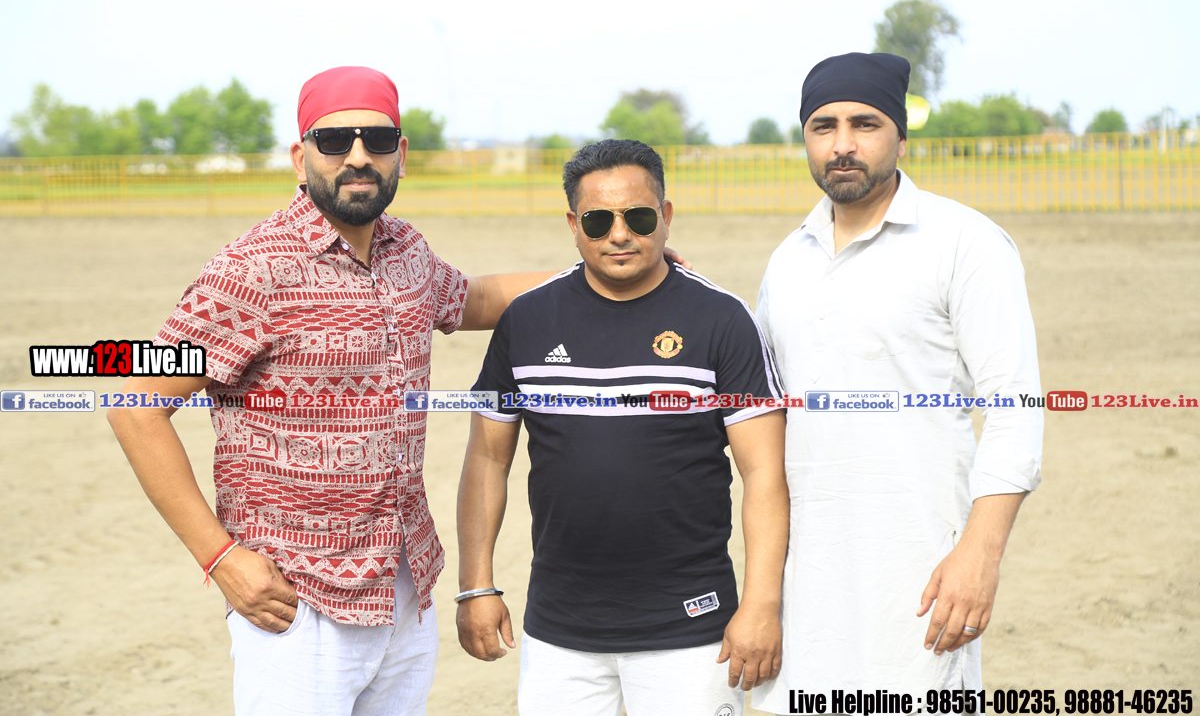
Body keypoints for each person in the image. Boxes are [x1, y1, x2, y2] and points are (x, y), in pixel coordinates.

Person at [106, 66, 583, 715]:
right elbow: (135, 405)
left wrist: (602, 270)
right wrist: (219, 557)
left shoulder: (405, 250)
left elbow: (472, 300)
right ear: (300, 158)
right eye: (335, 141)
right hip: (296, 601)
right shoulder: (254, 270)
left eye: (376, 139)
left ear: (400, 154)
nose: (358, 156)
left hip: (403, 585)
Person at [455, 139, 790, 716]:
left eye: (638, 217)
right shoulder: (527, 320)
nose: (619, 234)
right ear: (572, 225)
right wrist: (475, 585)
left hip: (691, 629)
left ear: (665, 215)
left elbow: (764, 473)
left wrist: (761, 605)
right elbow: (487, 459)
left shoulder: (722, 319)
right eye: (598, 220)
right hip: (559, 633)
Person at [752, 53, 1044, 710]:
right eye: (823, 126)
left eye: (865, 124)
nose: (843, 144)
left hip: (922, 571)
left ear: (901, 136)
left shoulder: (965, 243)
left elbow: (1015, 408)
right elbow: (759, 404)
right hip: (807, 579)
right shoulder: (789, 259)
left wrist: (980, 554)